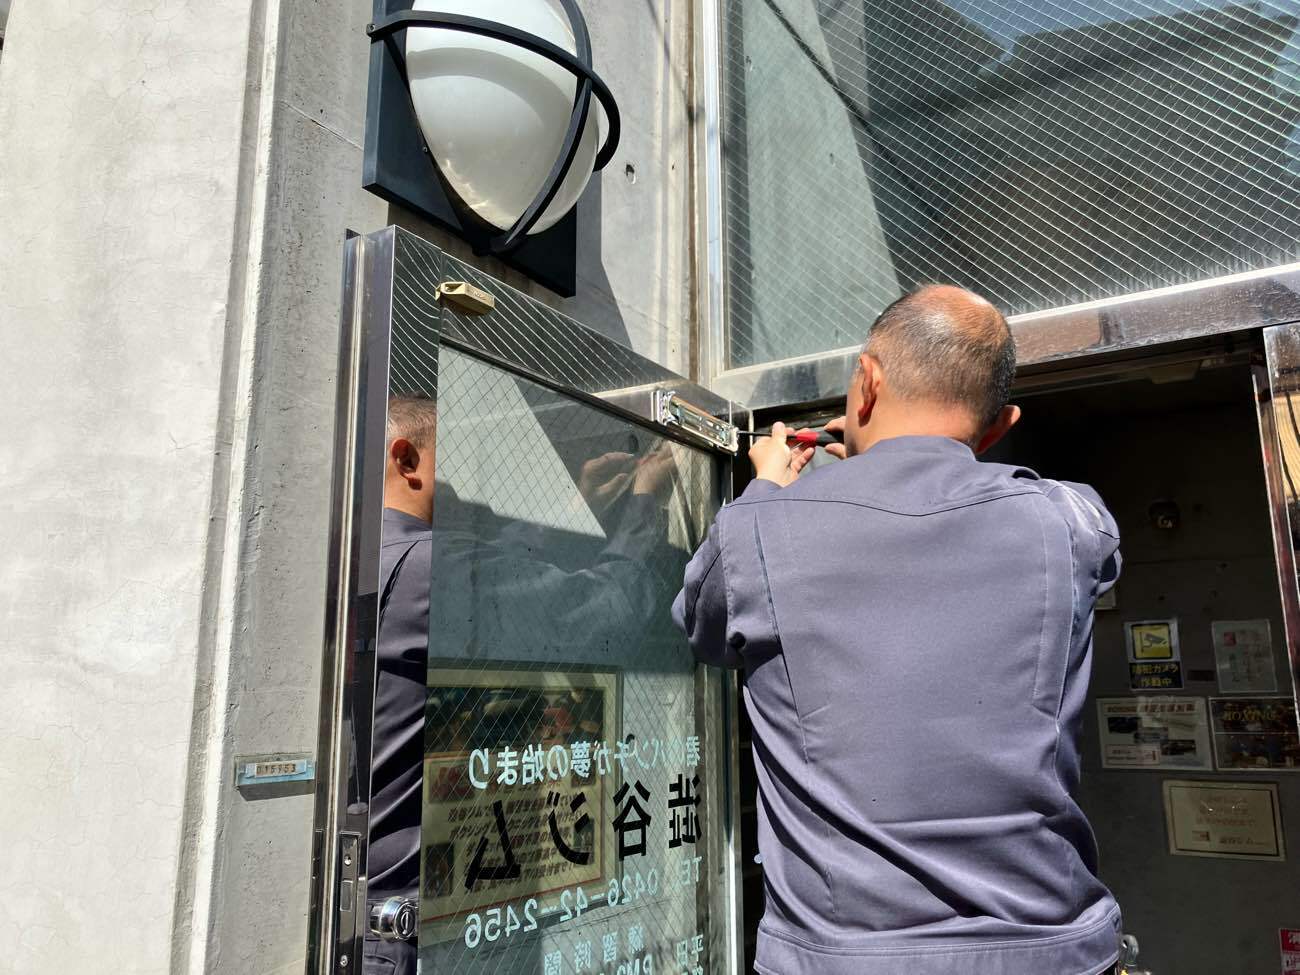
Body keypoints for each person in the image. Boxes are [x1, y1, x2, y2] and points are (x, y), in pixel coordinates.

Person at [673, 286, 1124, 975]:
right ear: (1001, 424)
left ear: (867, 381)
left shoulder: (753, 534)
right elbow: (1101, 553)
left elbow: (700, 628)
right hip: (1054, 951)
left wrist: (766, 492)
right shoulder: (1070, 519)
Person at [365, 395, 678, 975]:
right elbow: (602, 612)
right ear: (406, 460)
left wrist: (574, 508)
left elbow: (495, 580)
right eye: (450, 465)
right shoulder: (433, 567)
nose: (464, 490)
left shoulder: (362, 561)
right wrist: (644, 505)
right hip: (416, 938)